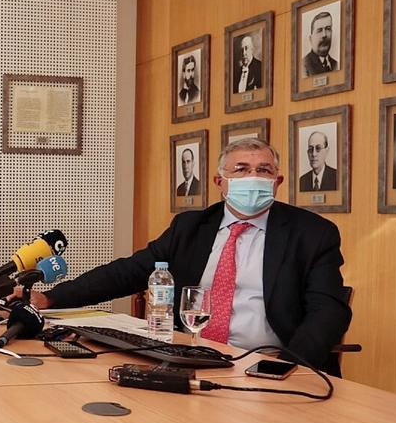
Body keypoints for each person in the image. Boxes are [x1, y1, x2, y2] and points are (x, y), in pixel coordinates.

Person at [21, 138, 351, 373]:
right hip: (191, 358)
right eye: (241, 169)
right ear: (220, 181)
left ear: (277, 181)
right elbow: (129, 272)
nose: (253, 177)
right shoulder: (191, 227)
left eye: (263, 170)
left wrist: (286, 367)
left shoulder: (313, 233)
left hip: (267, 365)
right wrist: (51, 298)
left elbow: (328, 311)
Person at [302, 11, 338, 77]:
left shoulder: (336, 64)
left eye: (328, 29)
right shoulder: (304, 65)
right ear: (311, 39)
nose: (324, 35)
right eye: (319, 30)